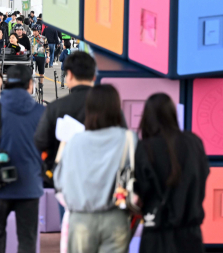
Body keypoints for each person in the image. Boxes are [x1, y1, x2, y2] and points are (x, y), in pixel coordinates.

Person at [53, 84, 136, 253]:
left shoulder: (75, 141)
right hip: (116, 217)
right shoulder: (128, 139)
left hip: (81, 218)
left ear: (89, 109)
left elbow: (59, 181)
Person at [0, 65, 45, 252]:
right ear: (30, 85)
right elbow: (50, 151)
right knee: (28, 239)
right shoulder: (41, 112)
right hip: (30, 185)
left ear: (6, 84)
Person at [135, 93, 209, 253]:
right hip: (191, 235)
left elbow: (141, 189)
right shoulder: (194, 143)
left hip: (156, 234)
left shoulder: (145, 148)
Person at [35, 51, 97, 172]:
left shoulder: (55, 107)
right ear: (94, 77)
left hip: (64, 177)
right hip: (102, 179)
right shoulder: (110, 107)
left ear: (70, 75)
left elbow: (40, 142)